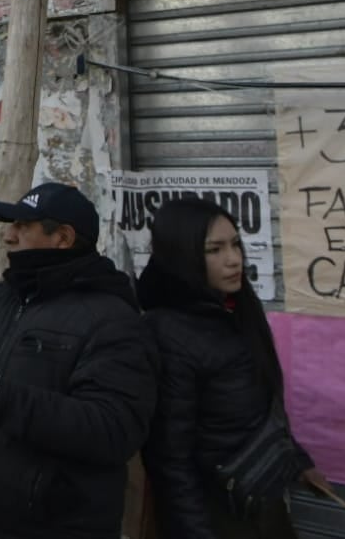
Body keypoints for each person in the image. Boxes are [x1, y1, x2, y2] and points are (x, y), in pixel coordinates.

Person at [0, 182, 157, 539]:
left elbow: (111, 430)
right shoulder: (4, 298)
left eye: (22, 226)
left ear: (62, 237)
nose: (8, 236)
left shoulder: (112, 319)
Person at [140, 198, 327, 539]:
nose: (234, 259)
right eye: (215, 249)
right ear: (182, 256)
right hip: (218, 516)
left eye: (236, 244)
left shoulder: (234, 310)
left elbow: (257, 405)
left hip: (259, 500)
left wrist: (296, 461)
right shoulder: (167, 334)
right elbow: (170, 459)